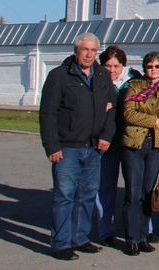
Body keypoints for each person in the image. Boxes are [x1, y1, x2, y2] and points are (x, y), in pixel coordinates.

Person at [39, 32, 117, 261]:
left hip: (94, 147)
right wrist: (51, 145)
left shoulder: (102, 75)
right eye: (85, 50)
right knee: (64, 196)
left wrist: (107, 135)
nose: (89, 55)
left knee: (87, 195)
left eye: (93, 51)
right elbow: (48, 113)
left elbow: (111, 109)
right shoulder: (60, 76)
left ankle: (80, 238)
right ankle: (61, 243)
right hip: (67, 148)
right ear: (76, 51)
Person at [120, 51, 159, 256]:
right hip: (134, 143)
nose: (153, 70)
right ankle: (132, 238)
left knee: (147, 192)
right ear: (144, 68)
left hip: (155, 146)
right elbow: (128, 113)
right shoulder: (135, 86)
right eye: (150, 66)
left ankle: (143, 235)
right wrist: (154, 121)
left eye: (158, 66)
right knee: (133, 193)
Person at [95, 45, 130, 246]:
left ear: (123, 66)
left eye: (116, 66)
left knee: (134, 189)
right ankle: (106, 230)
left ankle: (140, 229)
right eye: (108, 66)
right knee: (105, 190)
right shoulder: (96, 82)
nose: (112, 70)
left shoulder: (132, 82)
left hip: (128, 142)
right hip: (106, 144)